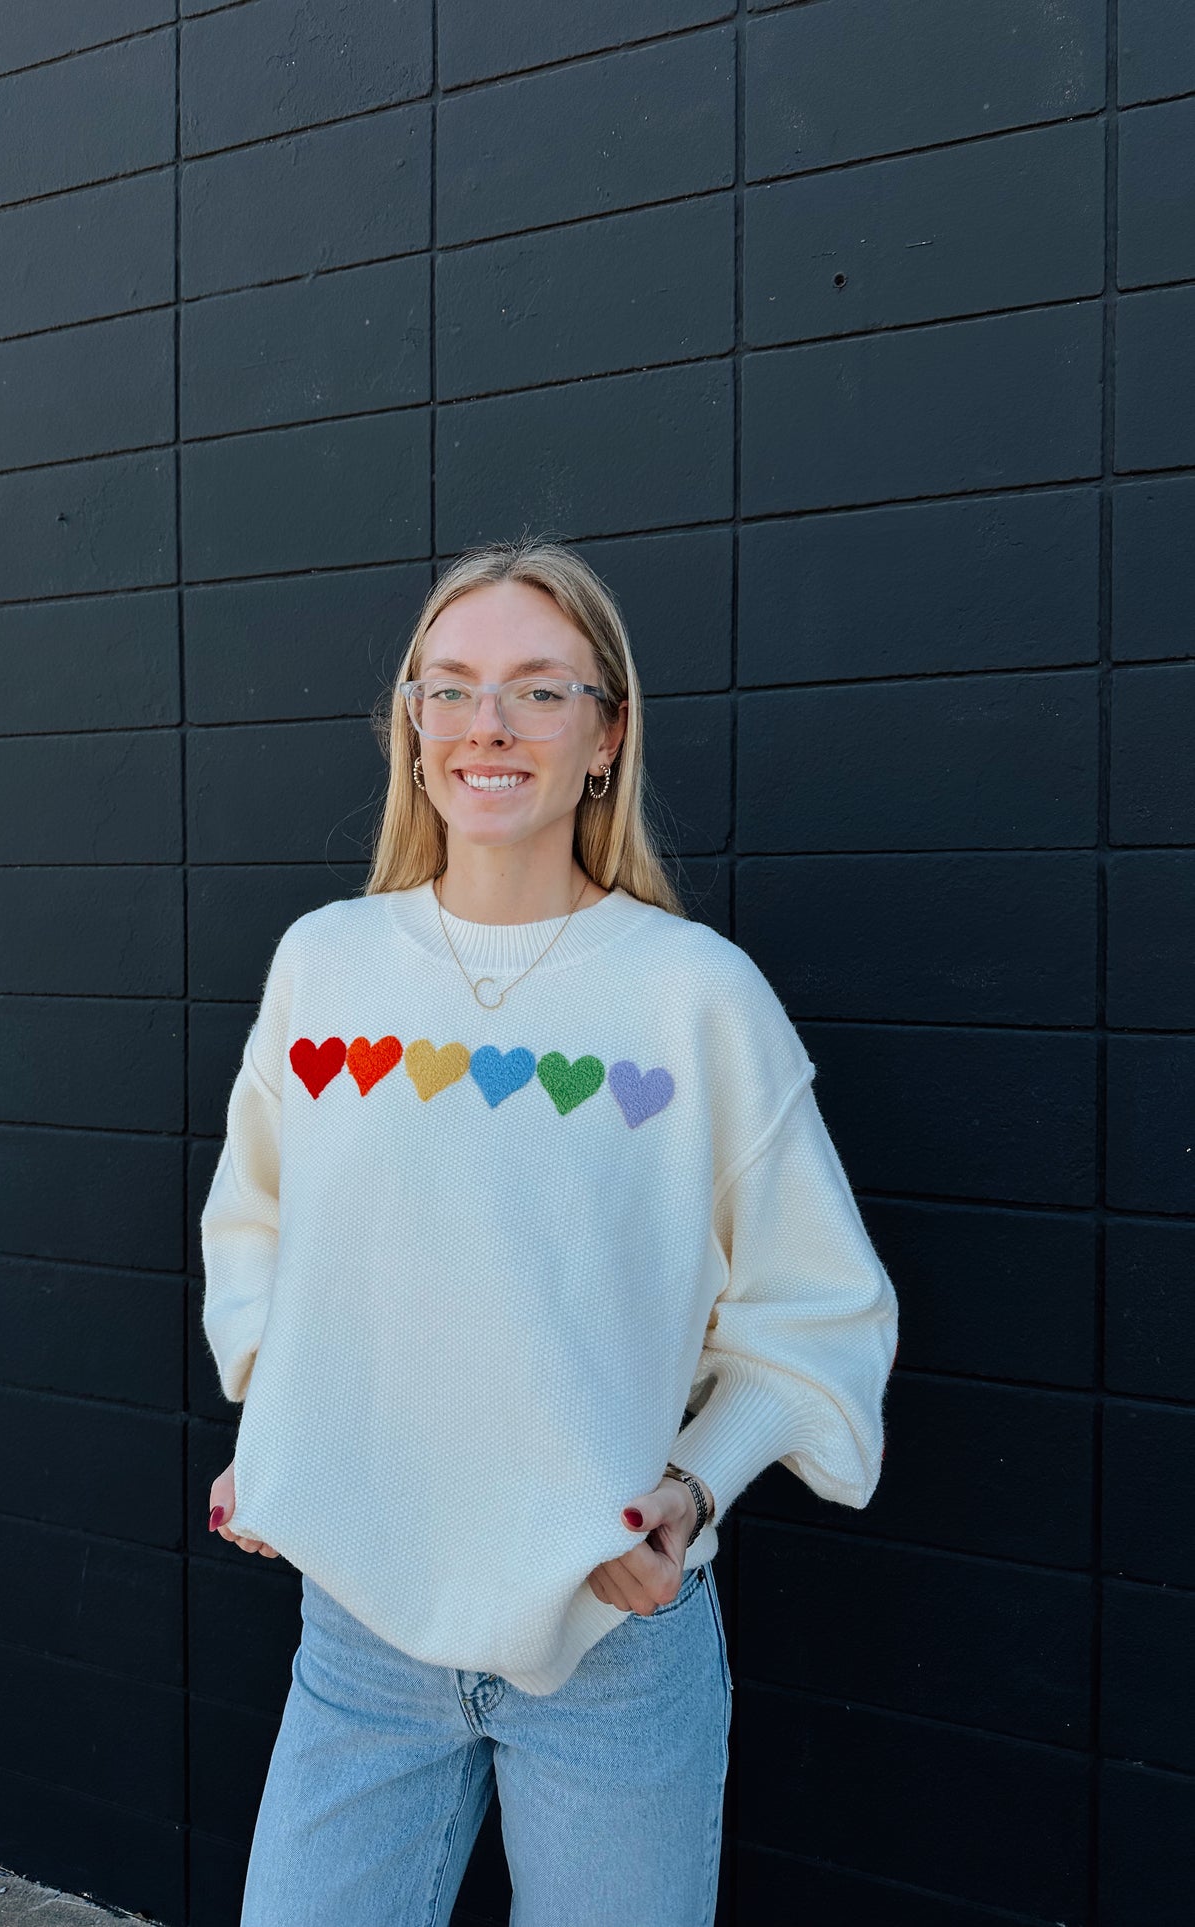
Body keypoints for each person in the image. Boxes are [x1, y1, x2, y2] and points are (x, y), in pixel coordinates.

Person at [201, 535, 899, 1926]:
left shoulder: (690, 999)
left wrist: (694, 1489)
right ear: (409, 727)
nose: (487, 727)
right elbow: (257, 1222)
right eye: (448, 689)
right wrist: (284, 1419)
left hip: (609, 1643)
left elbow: (816, 1304)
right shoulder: (325, 963)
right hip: (363, 1633)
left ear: (605, 733)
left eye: (536, 689)